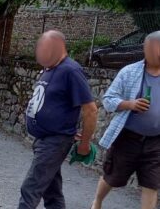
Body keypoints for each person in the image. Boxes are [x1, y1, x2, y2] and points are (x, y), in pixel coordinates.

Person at [18, 30, 98, 209]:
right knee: (51, 192)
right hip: (44, 139)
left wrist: (85, 143)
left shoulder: (71, 70)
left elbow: (90, 110)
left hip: (55, 140)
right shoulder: (50, 68)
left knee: (30, 188)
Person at [92, 31, 160, 209]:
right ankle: (97, 201)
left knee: (152, 184)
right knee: (112, 177)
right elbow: (108, 100)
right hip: (128, 138)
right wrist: (130, 104)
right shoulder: (129, 72)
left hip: (156, 141)